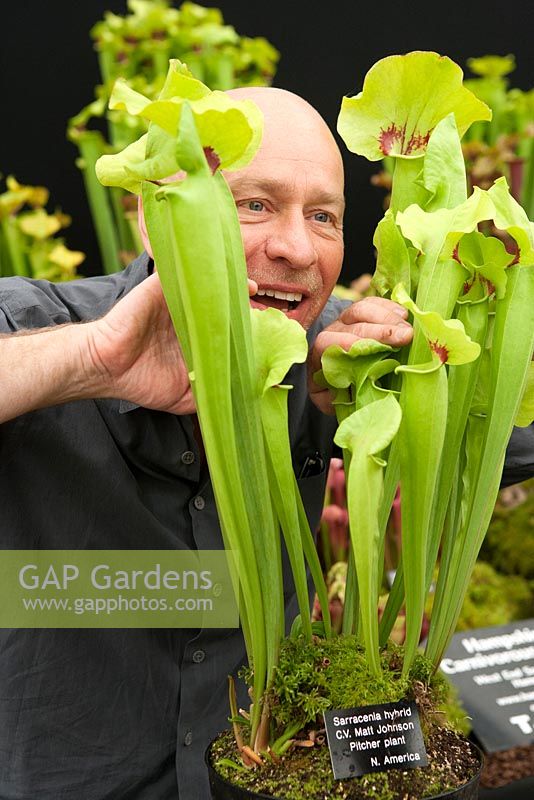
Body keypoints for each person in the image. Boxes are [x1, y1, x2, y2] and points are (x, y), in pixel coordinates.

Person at [0, 87, 531, 800]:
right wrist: (92, 361)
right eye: (253, 204)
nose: (295, 246)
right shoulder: (44, 326)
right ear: (157, 218)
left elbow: (500, 426)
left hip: (262, 770)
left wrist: (405, 388)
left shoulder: (333, 352)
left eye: (324, 216)